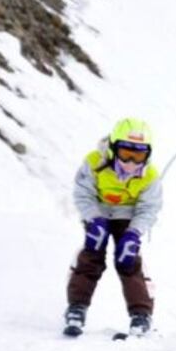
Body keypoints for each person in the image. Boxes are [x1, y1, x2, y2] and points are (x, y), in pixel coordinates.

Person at [63, 118, 162, 337]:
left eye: (138, 156)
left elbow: (149, 208)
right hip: (98, 212)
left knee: (128, 258)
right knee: (93, 253)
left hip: (128, 216)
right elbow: (83, 194)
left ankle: (141, 314)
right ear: (113, 147)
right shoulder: (94, 162)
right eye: (126, 153)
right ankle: (77, 306)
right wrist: (93, 219)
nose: (131, 161)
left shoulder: (149, 176)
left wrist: (134, 232)